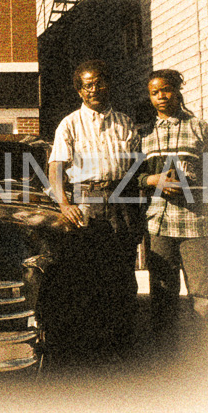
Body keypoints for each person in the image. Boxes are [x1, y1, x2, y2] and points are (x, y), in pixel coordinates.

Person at [46, 59, 143, 357]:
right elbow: (56, 169)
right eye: (88, 85)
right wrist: (64, 204)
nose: (95, 89)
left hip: (121, 200)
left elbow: (137, 167)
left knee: (123, 275)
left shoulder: (126, 123)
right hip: (87, 201)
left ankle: (123, 344)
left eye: (99, 82)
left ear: (108, 84)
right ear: (80, 91)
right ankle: (90, 348)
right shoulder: (70, 124)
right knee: (88, 275)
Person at [137, 69, 208, 331]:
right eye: (154, 92)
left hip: (196, 224)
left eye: (166, 89)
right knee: (162, 292)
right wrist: (153, 181)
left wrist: (205, 208)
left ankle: (205, 349)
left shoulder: (199, 128)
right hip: (158, 225)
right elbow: (133, 177)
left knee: (201, 291)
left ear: (178, 90)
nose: (161, 96)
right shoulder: (144, 134)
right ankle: (166, 353)